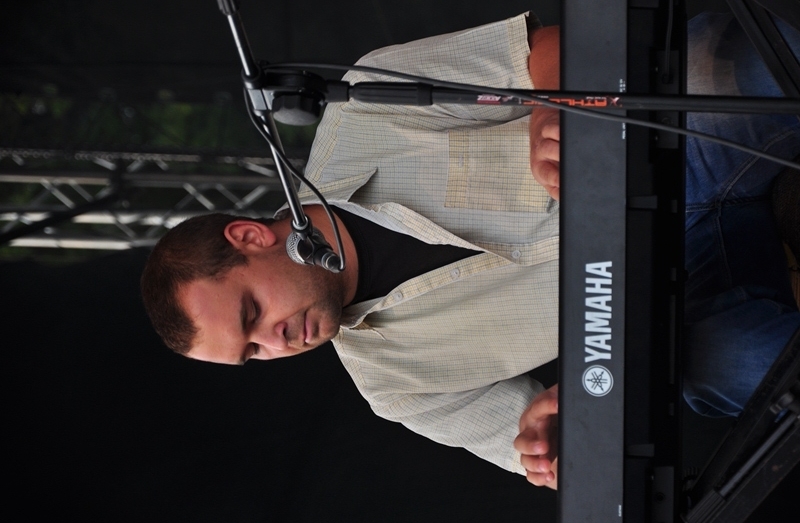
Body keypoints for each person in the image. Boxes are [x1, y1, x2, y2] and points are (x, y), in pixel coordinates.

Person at [141, 11, 800, 490]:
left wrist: (550, 110)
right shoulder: (393, 390)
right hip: (675, 304)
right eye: (253, 352)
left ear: (250, 237)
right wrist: (563, 431)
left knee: (738, 76)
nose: (276, 342)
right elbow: (550, 451)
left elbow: (550, 46)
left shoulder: (363, 105)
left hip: (665, 147)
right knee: (728, 367)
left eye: (252, 314)